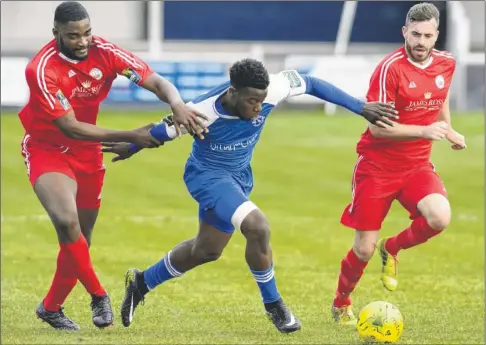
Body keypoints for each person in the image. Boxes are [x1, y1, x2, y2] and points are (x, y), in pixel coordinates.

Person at [102, 57, 398, 333]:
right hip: (207, 178)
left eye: (261, 100)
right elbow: (158, 132)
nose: (259, 107)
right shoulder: (202, 111)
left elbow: (312, 83)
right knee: (258, 226)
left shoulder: (270, 90)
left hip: (239, 178)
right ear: (233, 92)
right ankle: (274, 304)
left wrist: (361, 107)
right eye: (252, 101)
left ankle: (141, 282)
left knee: (206, 251)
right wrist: (130, 145)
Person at [19, 1, 207, 331]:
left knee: (82, 237)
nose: (82, 41)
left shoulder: (105, 52)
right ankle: (99, 295)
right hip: (49, 148)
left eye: (87, 33)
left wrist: (177, 104)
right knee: (66, 221)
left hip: (89, 152)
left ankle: (51, 307)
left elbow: (157, 82)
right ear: (56, 34)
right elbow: (70, 127)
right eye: (73, 36)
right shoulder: (41, 68)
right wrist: (132, 135)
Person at [331, 2, 467, 325]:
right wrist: (425, 130)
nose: (421, 42)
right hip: (377, 166)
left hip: (417, 165)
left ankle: (392, 248)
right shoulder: (389, 68)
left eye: (428, 35)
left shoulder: (446, 63)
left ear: (436, 36)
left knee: (439, 216)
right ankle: (341, 303)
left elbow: (441, 95)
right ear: (405, 32)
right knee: (363, 248)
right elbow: (378, 126)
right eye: (415, 34)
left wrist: (447, 129)